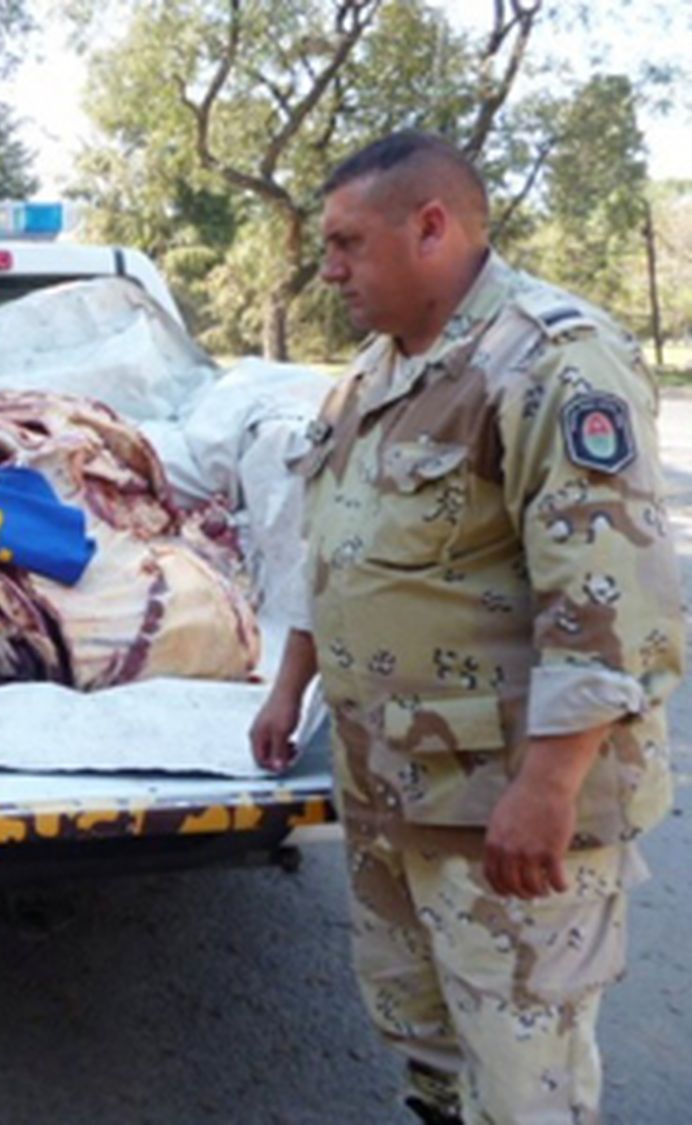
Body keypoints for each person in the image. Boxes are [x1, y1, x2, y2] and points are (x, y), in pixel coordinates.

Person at [249, 131, 683, 1124]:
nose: (330, 269)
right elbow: (336, 548)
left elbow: (612, 603)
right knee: (429, 1041)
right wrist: (289, 686)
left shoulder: (553, 362)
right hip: (394, 786)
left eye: (349, 243)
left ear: (431, 227)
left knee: (523, 1065)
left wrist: (550, 785)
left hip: (507, 809)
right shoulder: (372, 376)